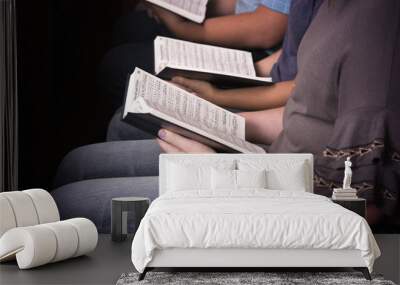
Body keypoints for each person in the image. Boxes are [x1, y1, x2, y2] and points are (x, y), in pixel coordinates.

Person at [155, 0, 400, 228]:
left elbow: (353, 217)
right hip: (272, 174)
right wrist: (214, 124)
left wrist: (225, 178)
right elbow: (306, 113)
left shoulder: (375, 40)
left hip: (281, 207)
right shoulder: (336, 8)